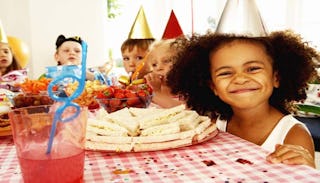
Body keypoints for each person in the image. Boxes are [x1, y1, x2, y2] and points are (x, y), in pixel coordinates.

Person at [166, 30, 319, 168]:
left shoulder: (294, 134)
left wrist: (307, 166)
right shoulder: (214, 125)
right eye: (225, 73)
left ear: (276, 78)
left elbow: (303, 175)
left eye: (253, 69)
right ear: (213, 87)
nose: (240, 79)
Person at [144, 38, 185, 108]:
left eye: (166, 61)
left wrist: (156, 93)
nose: (158, 68)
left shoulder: (187, 91)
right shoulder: (154, 88)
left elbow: (181, 109)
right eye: (154, 65)